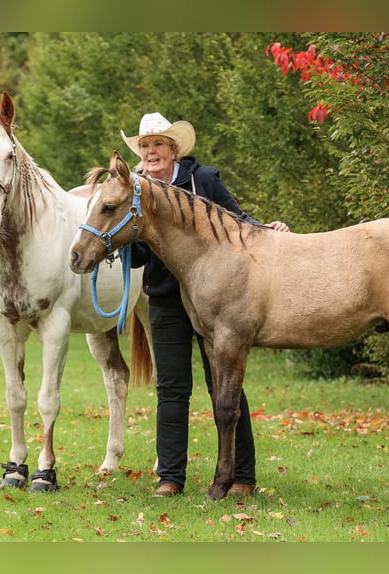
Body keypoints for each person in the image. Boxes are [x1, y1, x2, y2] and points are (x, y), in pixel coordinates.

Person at [121, 112, 289, 498]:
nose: (151, 153)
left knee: (225, 385)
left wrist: (268, 229)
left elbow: (238, 220)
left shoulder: (203, 179)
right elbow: (139, 258)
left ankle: (243, 475)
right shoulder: (137, 190)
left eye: (158, 145)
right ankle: (170, 478)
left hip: (217, 300)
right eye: (145, 146)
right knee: (172, 388)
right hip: (165, 297)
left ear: (173, 148)